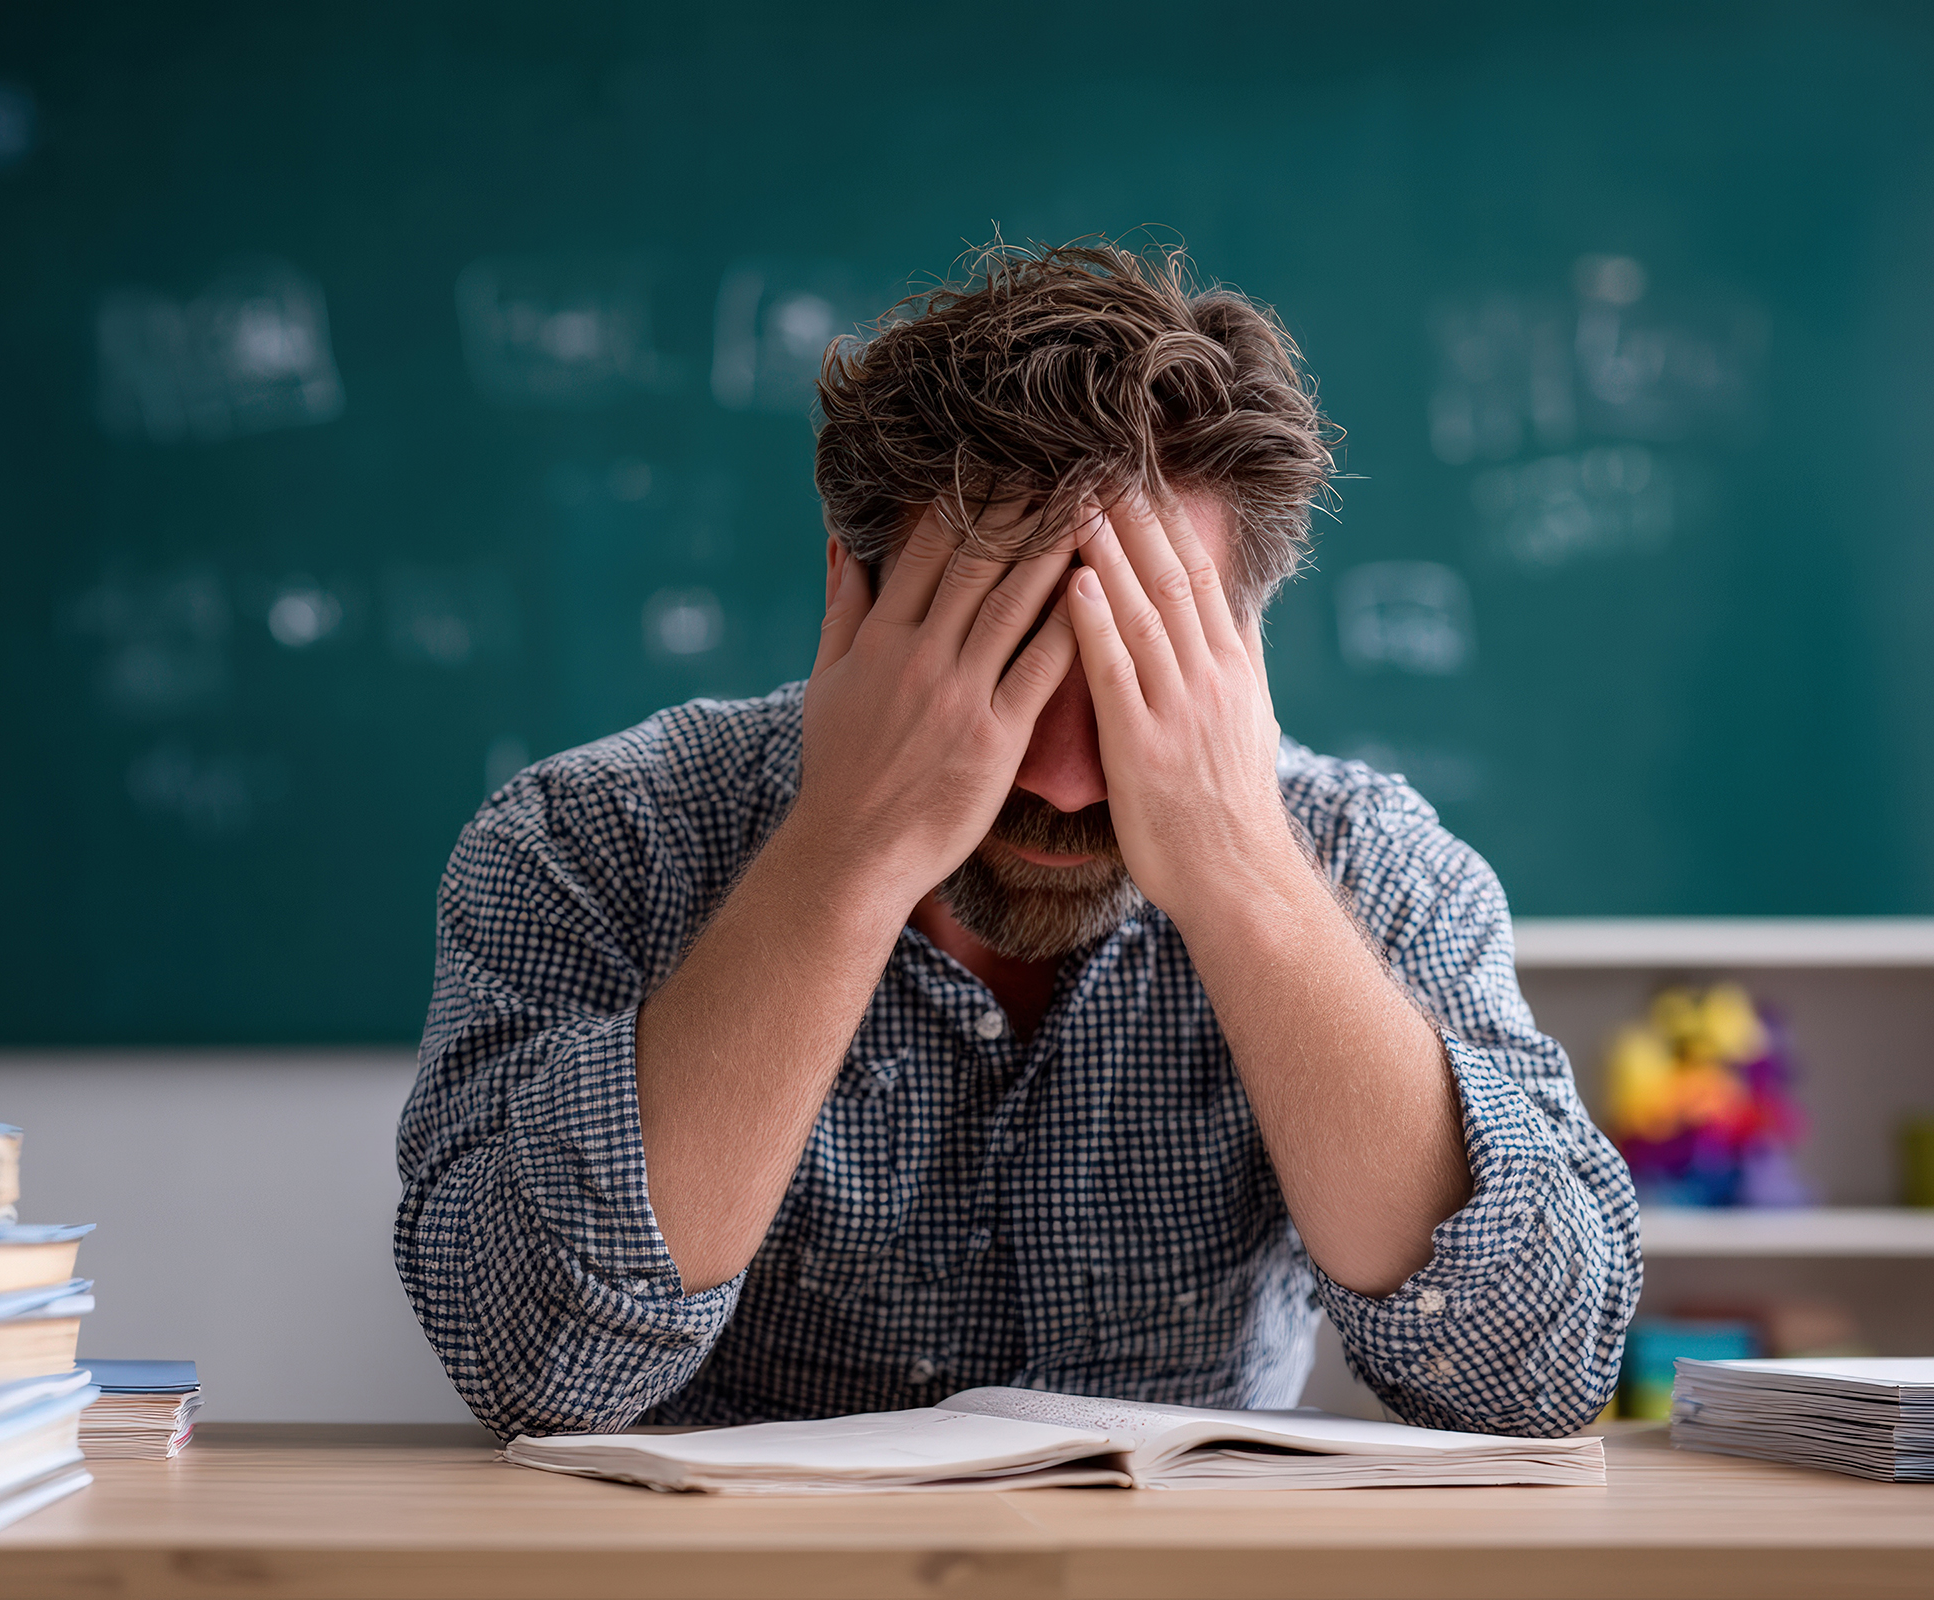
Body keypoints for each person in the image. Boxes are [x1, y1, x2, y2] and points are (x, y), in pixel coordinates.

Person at [396, 241, 1639, 1442]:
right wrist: (846, 850)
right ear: (854, 598)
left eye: (1131, 670)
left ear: (1243, 652)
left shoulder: (1370, 865)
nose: (1058, 773)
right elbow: (534, 1368)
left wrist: (1244, 875)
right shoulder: (590, 841)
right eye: (995, 660)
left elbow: (1535, 1376)